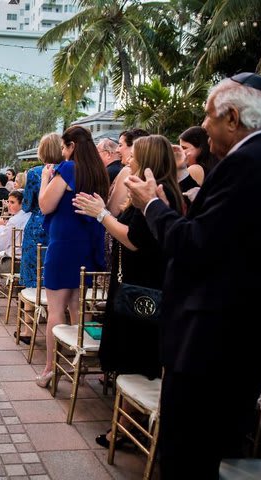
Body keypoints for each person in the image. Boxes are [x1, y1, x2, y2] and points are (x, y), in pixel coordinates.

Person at [124, 72, 261, 478]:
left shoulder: (252, 164)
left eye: (208, 117)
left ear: (232, 117)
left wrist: (150, 207)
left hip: (214, 342)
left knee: (188, 455)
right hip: (228, 338)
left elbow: (196, 245)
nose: (204, 127)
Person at [73, 135, 184, 449]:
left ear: (148, 159)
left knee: (136, 356)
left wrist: (101, 214)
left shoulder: (158, 197)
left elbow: (135, 239)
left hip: (143, 290)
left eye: (134, 155)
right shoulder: (151, 191)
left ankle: (125, 429)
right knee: (133, 355)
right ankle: (124, 424)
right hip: (134, 283)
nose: (128, 158)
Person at [36, 125, 110, 388]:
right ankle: (80, 364)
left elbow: (45, 205)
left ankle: (50, 369)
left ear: (71, 146)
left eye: (64, 148)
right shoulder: (99, 172)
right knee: (78, 307)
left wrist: (46, 178)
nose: (63, 153)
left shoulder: (68, 169)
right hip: (87, 244)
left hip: (64, 244)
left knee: (55, 310)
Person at [20, 133, 61, 288]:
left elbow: (27, 205)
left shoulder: (35, 172)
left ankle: (30, 309)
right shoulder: (68, 171)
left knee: (33, 276)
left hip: (37, 226)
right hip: (58, 224)